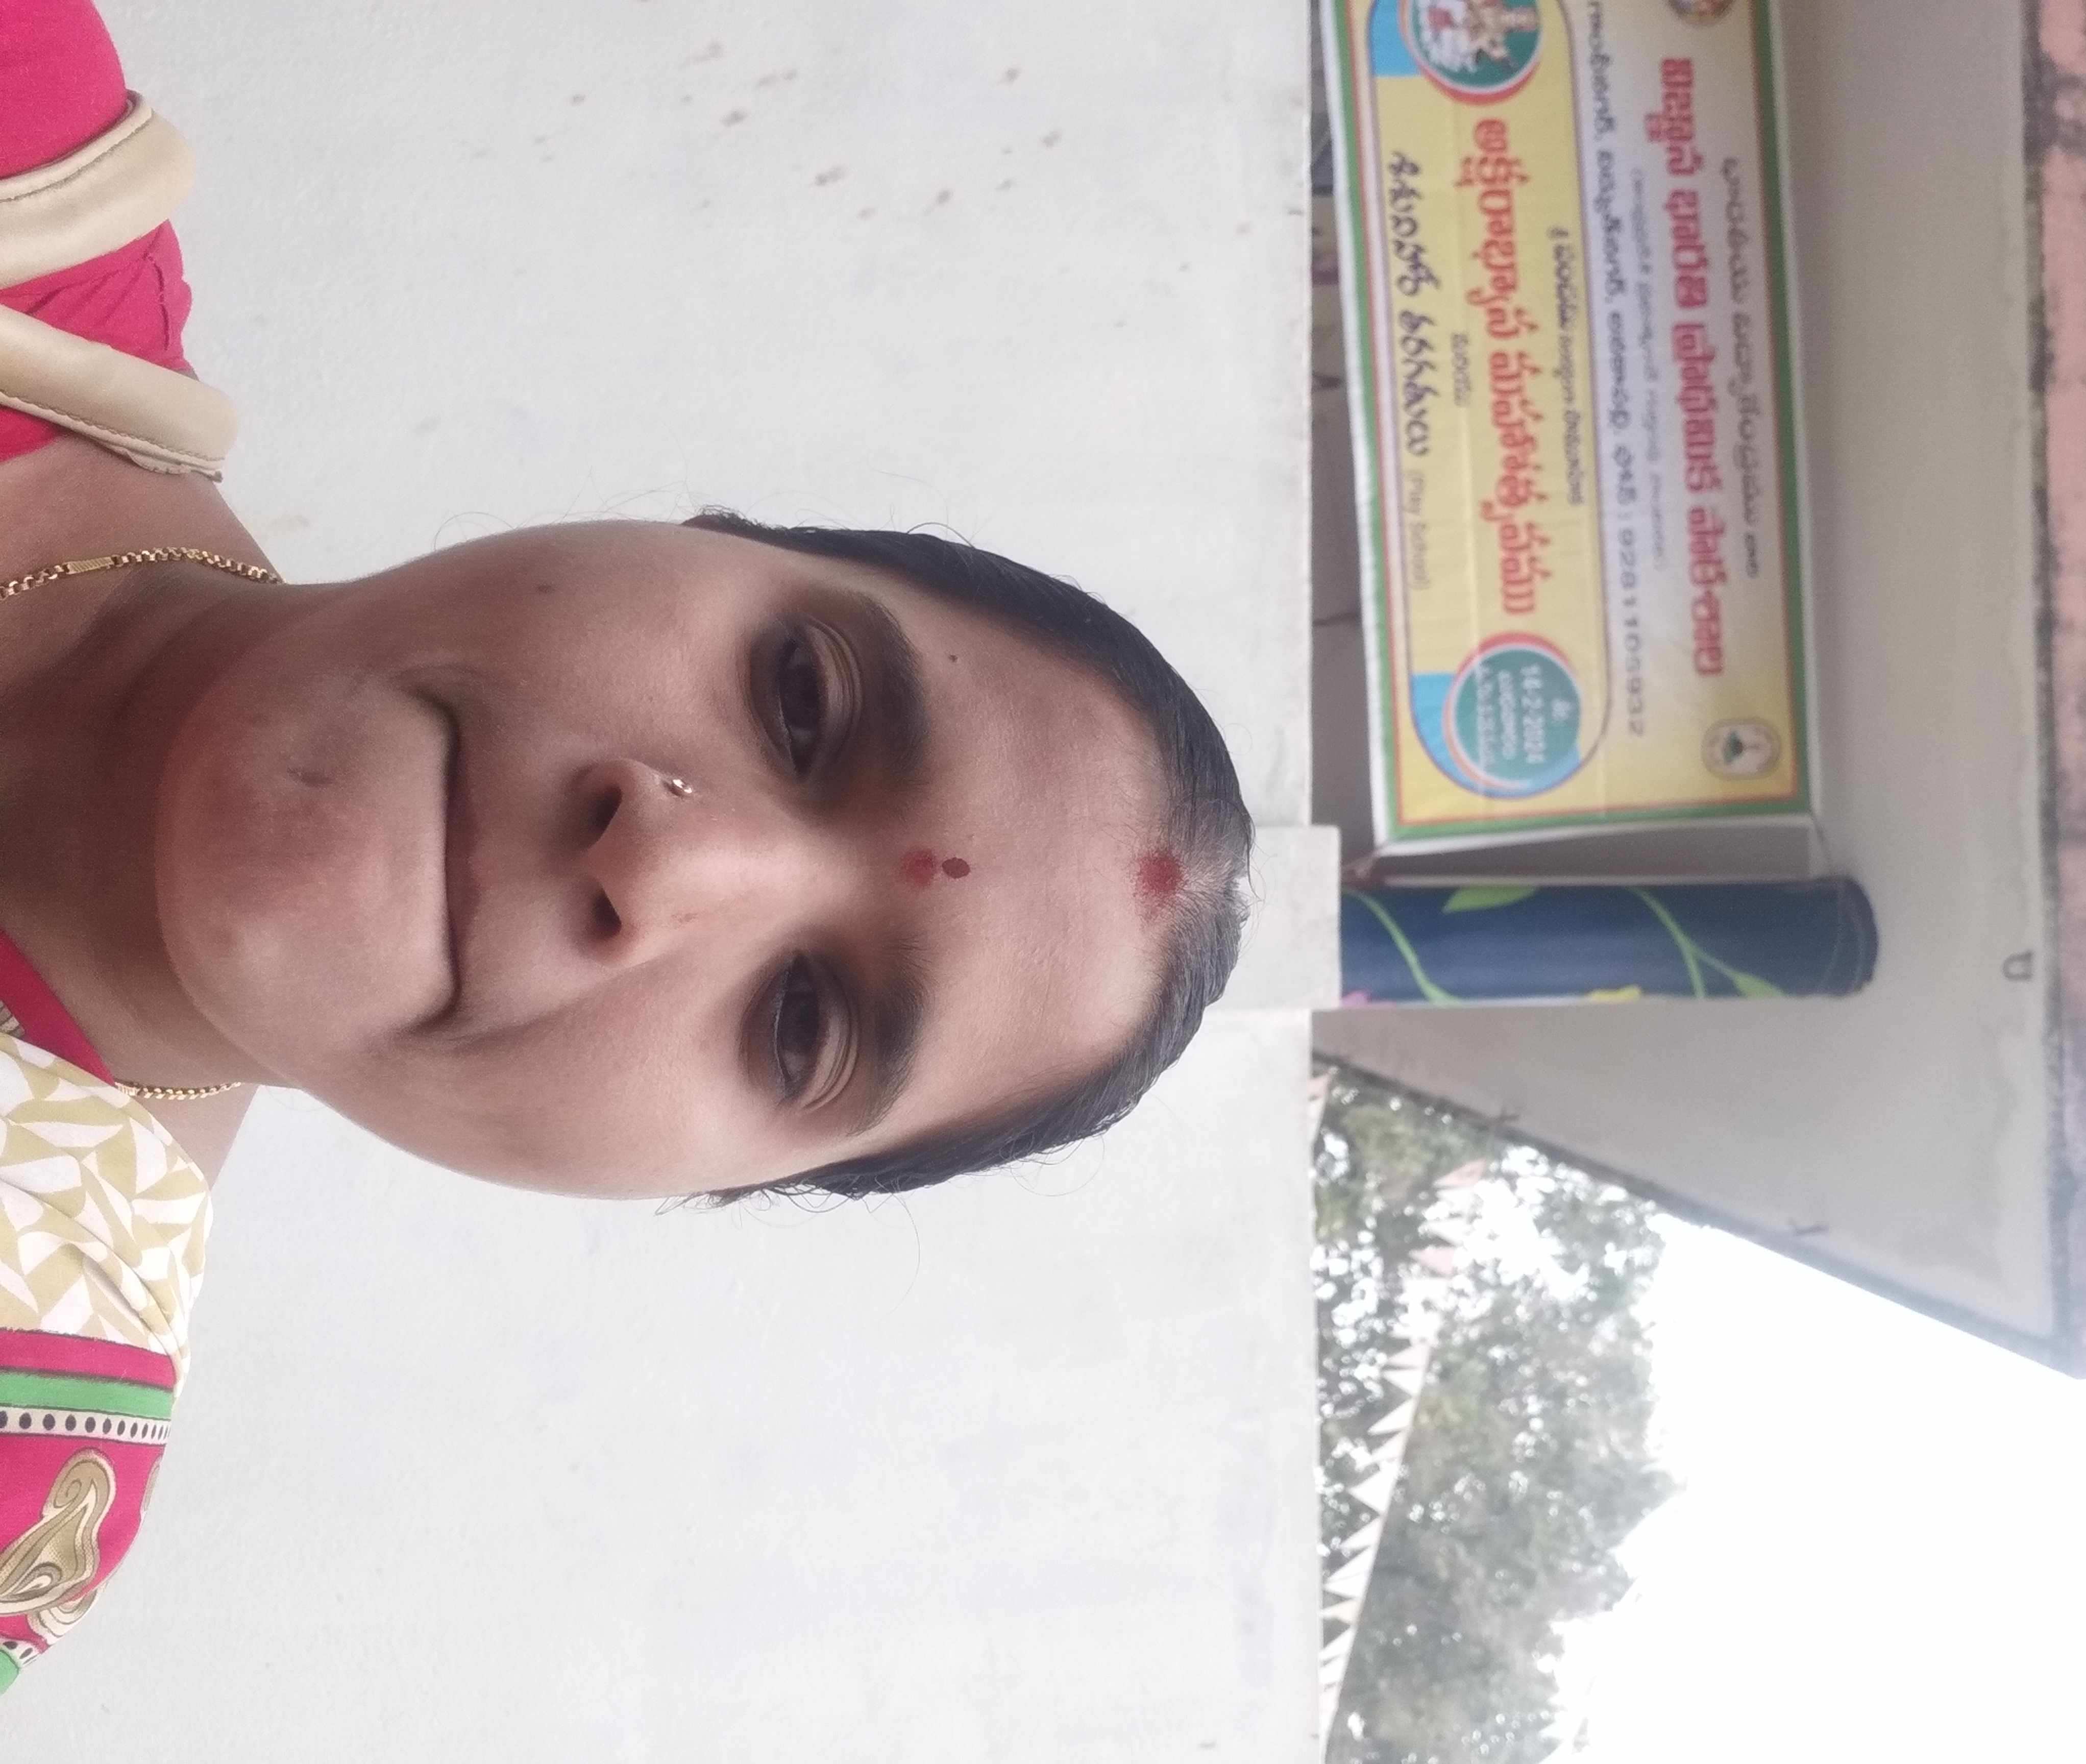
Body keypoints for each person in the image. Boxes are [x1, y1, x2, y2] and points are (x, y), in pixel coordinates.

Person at [0, 0, 1251, 1694]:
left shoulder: (23, 1453)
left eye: (800, 1025)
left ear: (697, 1188)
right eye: (801, 699)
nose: (667, 870)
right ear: (698, 535)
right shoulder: (28, 168)